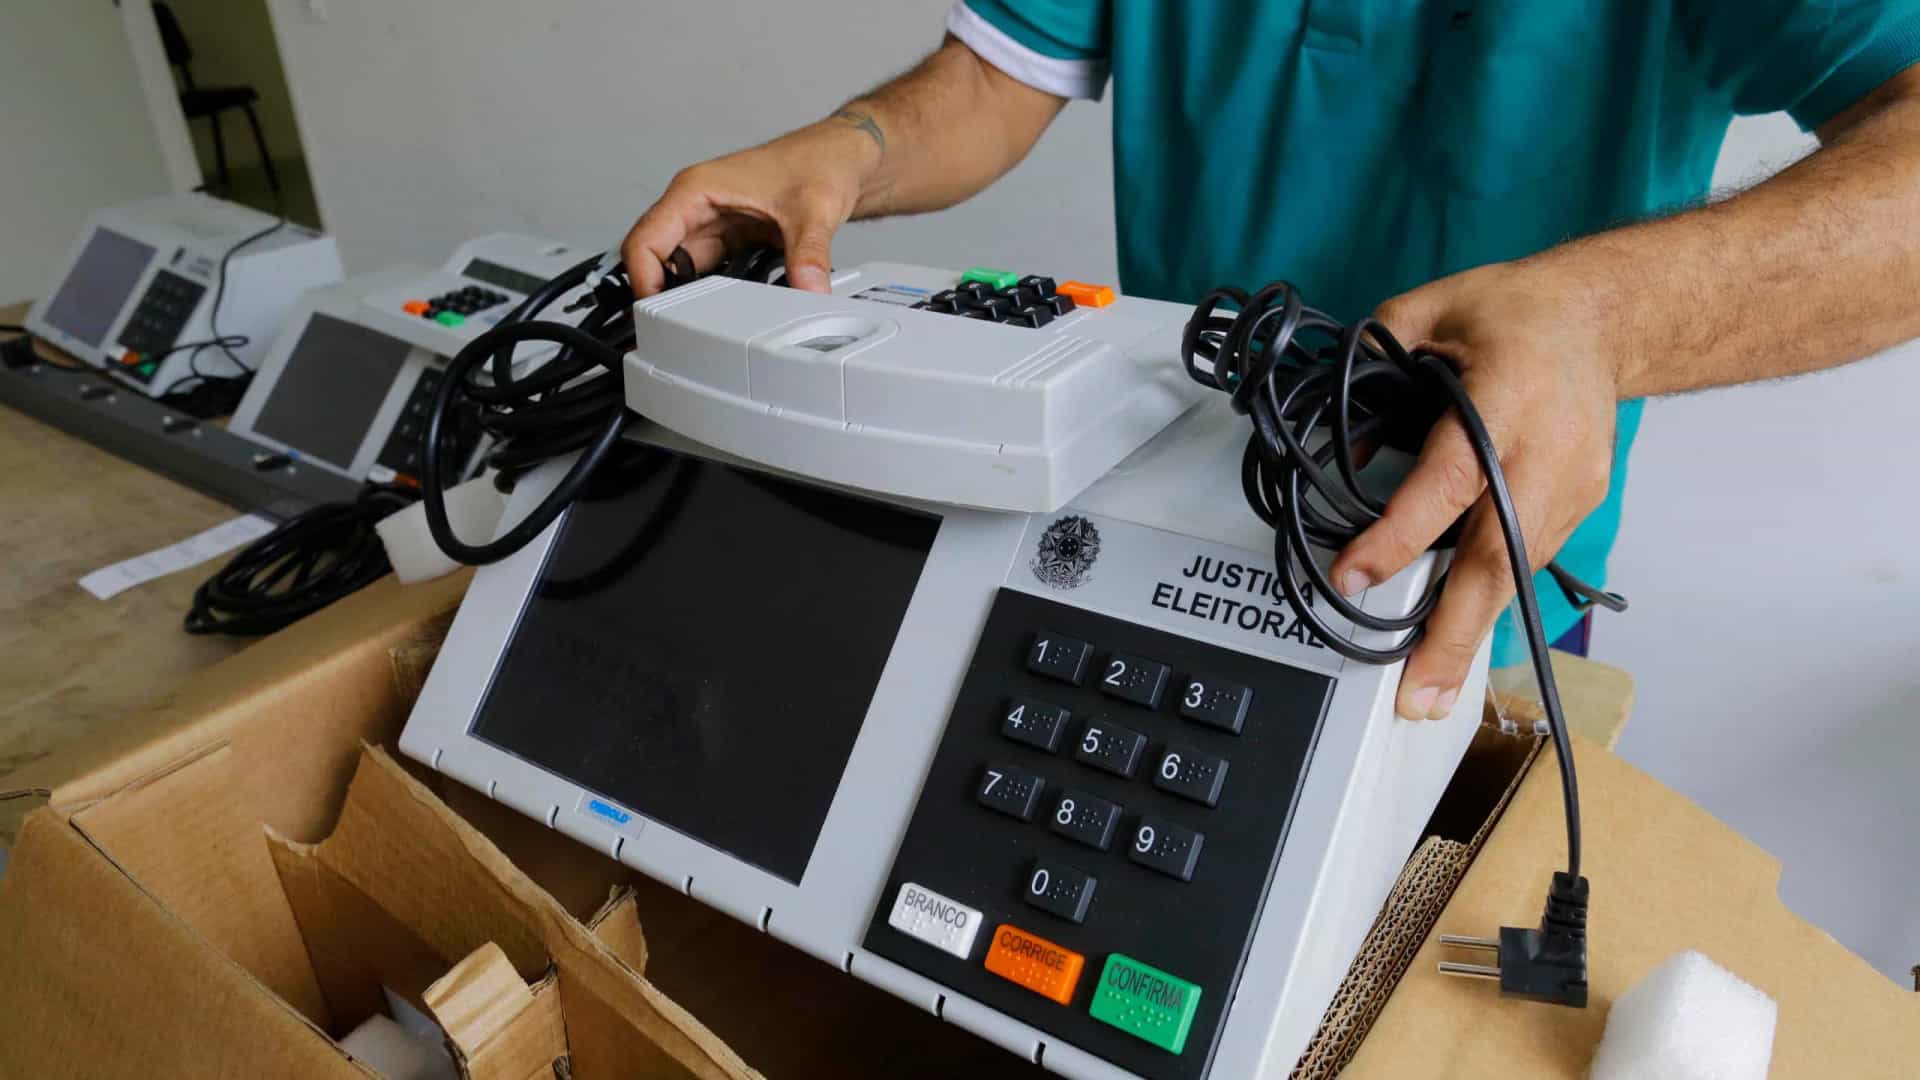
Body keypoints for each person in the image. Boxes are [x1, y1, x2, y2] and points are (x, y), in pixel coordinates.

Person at [624, 2, 1920, 721]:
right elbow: (999, 75)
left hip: (1477, 580)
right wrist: (852, 147)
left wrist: (1609, 318)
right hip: (1163, 528)